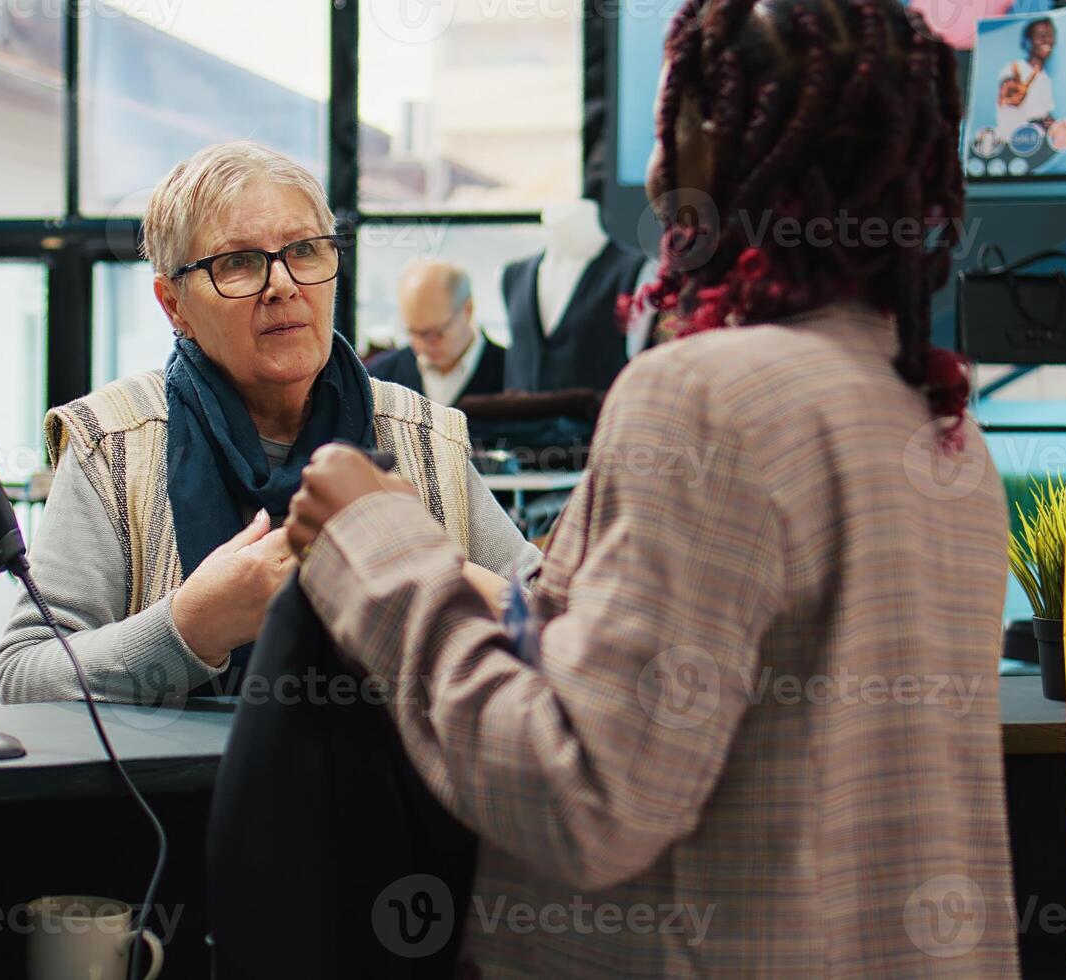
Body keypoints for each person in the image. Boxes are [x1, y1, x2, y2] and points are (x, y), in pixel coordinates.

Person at [284, 0, 1020, 973]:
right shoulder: (941, 430)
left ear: (703, 134)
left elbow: (580, 796)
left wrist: (378, 552)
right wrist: (506, 598)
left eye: (678, 112)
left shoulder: (709, 397)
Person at [0, 141, 538, 704]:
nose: (282, 284)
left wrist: (428, 567)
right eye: (238, 262)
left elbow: (560, 627)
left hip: (390, 791)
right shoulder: (114, 443)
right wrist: (191, 626)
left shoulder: (421, 434)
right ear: (173, 304)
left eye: (304, 250)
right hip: (181, 793)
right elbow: (27, 675)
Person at [367, 260, 507, 407]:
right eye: (413, 332)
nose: (422, 345)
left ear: (467, 309)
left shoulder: (515, 375)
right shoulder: (380, 379)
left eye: (435, 333)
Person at [996, 17, 1056, 137]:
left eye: (1050, 36)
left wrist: (1054, 124)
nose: (1048, 41)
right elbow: (1009, 104)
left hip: (1037, 141)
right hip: (1014, 142)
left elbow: (1043, 114)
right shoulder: (1013, 69)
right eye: (1041, 36)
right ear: (1027, 41)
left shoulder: (1045, 77)